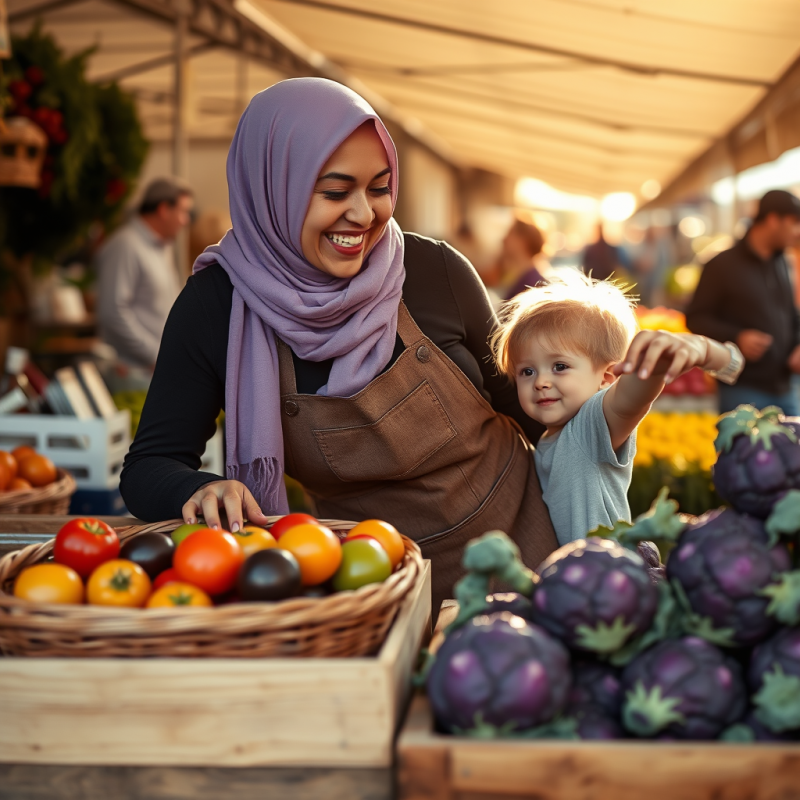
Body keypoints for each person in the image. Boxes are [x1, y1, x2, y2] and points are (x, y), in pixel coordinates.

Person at [119, 78, 557, 611]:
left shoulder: (434, 272)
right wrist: (200, 487)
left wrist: (608, 389)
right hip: (370, 593)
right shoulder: (218, 305)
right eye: (334, 191)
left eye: (379, 187)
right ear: (275, 187)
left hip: (523, 558)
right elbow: (150, 464)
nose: (365, 214)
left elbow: (528, 408)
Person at [491, 272, 740, 545]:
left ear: (606, 378)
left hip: (608, 579)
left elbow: (631, 396)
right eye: (527, 371)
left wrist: (695, 352)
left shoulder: (589, 425)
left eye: (559, 366)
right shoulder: (549, 438)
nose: (540, 382)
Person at [686, 189, 800, 415]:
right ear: (772, 220)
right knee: (743, 451)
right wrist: (737, 337)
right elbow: (695, 318)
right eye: (794, 222)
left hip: (787, 388)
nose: (797, 231)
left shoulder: (783, 264)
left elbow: (792, 315)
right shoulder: (721, 265)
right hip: (742, 389)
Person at [95, 177, 194, 390]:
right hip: (132, 376)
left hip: (155, 373)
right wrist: (155, 355)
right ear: (163, 209)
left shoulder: (161, 248)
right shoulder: (125, 245)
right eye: (182, 211)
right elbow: (112, 312)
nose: (185, 221)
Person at [498, 218, 550, 300]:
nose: (504, 239)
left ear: (522, 241)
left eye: (510, 233)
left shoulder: (533, 285)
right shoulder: (518, 277)